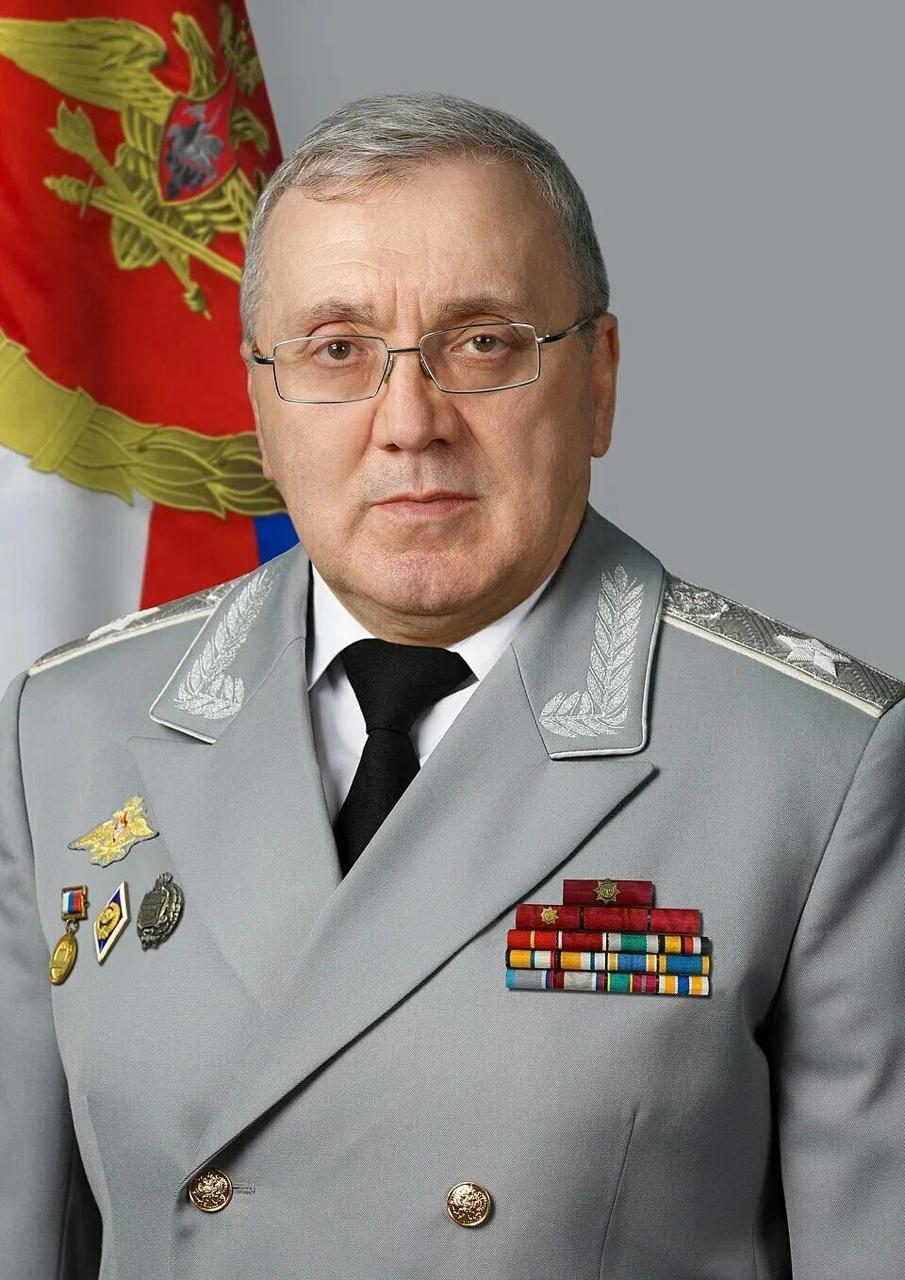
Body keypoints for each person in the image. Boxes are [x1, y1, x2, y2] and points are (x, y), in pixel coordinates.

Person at [1, 91, 903, 1280]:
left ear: (597, 380)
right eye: (336, 349)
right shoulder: (68, 725)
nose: (409, 422)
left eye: (482, 342)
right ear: (260, 404)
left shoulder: (816, 766)